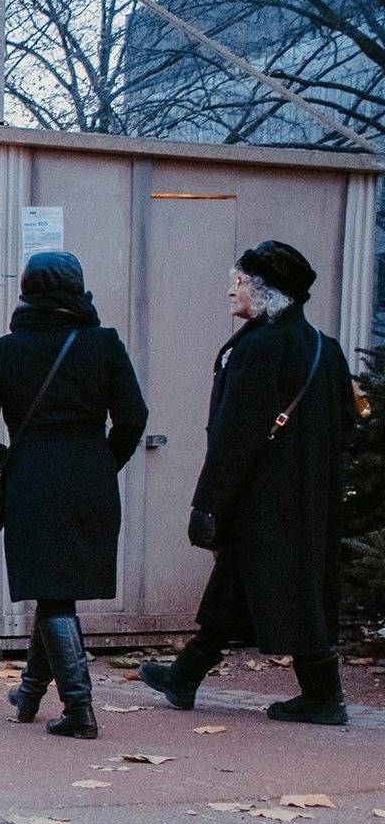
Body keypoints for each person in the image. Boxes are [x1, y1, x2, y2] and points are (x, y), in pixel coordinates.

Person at [142, 241, 359, 726]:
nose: (231, 289)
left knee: (285, 588)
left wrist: (208, 504)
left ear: (267, 293)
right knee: (245, 582)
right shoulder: (326, 348)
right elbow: (347, 425)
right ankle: (185, 676)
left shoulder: (258, 348)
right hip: (308, 497)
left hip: (260, 497)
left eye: (239, 282)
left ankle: (324, 698)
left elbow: (232, 437)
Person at [0, 252, 147, 739]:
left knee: (52, 592)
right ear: (78, 289)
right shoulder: (104, 345)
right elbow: (133, 418)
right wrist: (105, 462)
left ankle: (80, 709)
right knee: (56, 590)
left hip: (32, 481)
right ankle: (28, 693)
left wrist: (8, 465)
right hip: (91, 476)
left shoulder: (0, 353)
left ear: (24, 291)